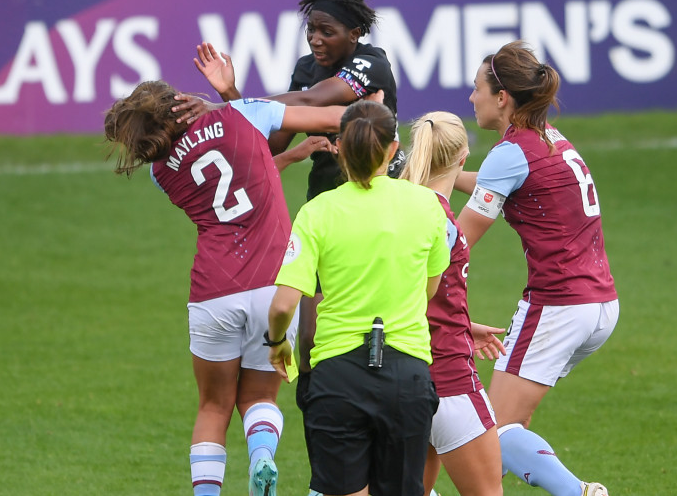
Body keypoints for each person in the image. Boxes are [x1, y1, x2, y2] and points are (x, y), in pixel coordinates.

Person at [175, 0, 403, 487]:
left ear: (356, 33)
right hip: (326, 211)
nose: (316, 40)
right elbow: (263, 138)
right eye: (311, 30)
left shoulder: (372, 63)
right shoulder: (305, 68)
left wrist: (223, 108)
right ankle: (329, 464)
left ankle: (388, 450)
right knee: (311, 344)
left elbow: (309, 100)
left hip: (383, 206)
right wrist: (231, 99)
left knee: (387, 325)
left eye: (327, 31)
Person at [103, 80, 371, 496]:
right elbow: (339, 119)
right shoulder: (242, 113)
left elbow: (230, 184)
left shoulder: (161, 172)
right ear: (181, 103)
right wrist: (371, 106)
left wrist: (288, 156)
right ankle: (262, 457)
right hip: (274, 286)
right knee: (260, 396)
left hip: (213, 290)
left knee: (213, 407)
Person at [455, 41, 619, 496]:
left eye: (476, 88)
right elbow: (495, 182)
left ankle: (578, 492)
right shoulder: (549, 138)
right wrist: (438, 177)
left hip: (557, 307)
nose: (472, 98)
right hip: (600, 304)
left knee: (489, 431)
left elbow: (459, 243)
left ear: (501, 96)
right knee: (514, 423)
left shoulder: (511, 153)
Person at [265, 100, 447, 496]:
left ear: (340, 149)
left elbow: (282, 305)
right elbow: (430, 289)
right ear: (392, 150)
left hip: (338, 376)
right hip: (407, 372)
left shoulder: (317, 211)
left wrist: (278, 343)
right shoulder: (427, 205)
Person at [401, 112, 506, 496]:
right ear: (463, 157)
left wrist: (461, 321)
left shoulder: (395, 209)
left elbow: (402, 292)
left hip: (401, 378)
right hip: (449, 377)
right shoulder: (441, 218)